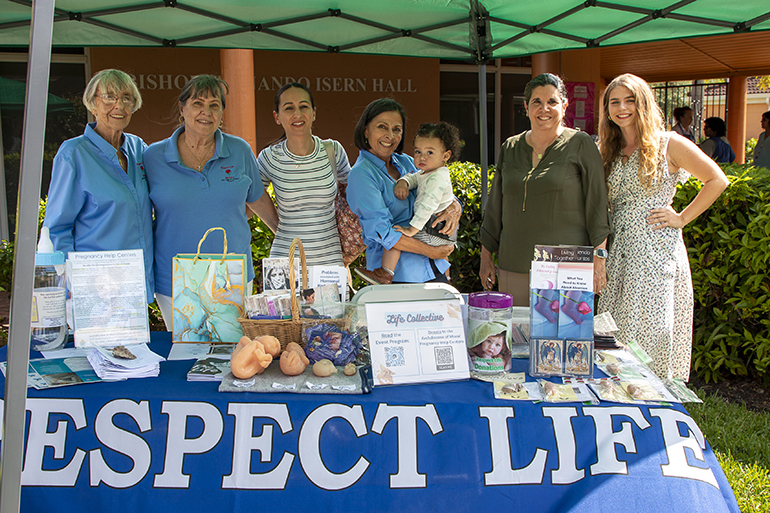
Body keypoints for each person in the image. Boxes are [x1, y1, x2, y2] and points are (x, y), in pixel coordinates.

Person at [597, 73, 729, 381]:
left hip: (657, 250)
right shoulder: (608, 149)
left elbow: (717, 180)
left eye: (630, 100)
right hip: (621, 250)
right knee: (617, 324)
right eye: (614, 102)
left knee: (654, 325)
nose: (622, 108)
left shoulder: (668, 143)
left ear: (643, 104)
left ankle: (655, 399)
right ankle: (619, 391)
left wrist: (682, 217)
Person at [144, 75, 276, 330]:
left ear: (222, 113)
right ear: (182, 109)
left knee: (231, 356)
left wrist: (286, 238)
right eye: (197, 103)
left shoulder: (240, 150)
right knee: (185, 353)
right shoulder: (153, 157)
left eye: (215, 105)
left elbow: (258, 200)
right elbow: (138, 214)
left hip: (231, 278)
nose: (206, 112)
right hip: (176, 280)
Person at [479, 73, 610, 305]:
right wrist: (486, 255)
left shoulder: (580, 144)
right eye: (537, 102)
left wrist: (599, 259)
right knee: (518, 337)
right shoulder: (510, 147)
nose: (544, 108)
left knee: (565, 336)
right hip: (514, 262)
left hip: (566, 267)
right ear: (526, 106)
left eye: (552, 101)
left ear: (564, 105)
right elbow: (495, 207)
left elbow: (597, 205)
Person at [44, 69, 154, 304]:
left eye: (126, 98)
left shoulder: (139, 148)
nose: (119, 105)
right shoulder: (73, 154)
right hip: (96, 286)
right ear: (92, 104)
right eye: (109, 97)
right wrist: (70, 282)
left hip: (137, 281)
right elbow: (57, 229)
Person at [347, 98, 462, 284]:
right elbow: (384, 233)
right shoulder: (361, 174)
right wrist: (431, 251)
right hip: (398, 277)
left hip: (434, 269)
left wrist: (455, 207)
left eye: (397, 129)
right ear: (365, 130)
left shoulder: (407, 162)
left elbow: (438, 190)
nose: (390, 136)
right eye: (382, 127)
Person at [257, 82, 351, 266]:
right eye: (289, 108)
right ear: (277, 117)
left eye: (303, 107)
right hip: (286, 261)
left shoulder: (333, 150)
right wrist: (282, 230)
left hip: (330, 261)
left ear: (314, 113)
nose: (297, 114)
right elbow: (254, 198)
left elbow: (354, 195)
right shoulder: (269, 157)